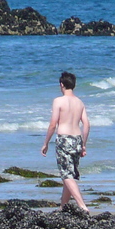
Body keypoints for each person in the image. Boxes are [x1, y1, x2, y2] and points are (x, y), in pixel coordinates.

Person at [41, 71, 90, 211]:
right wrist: (84, 145)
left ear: (61, 85)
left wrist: (46, 143)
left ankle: (82, 205)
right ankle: (63, 207)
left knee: (66, 174)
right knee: (70, 174)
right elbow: (86, 125)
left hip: (64, 139)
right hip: (77, 139)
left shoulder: (59, 101)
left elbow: (52, 124)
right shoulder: (80, 103)